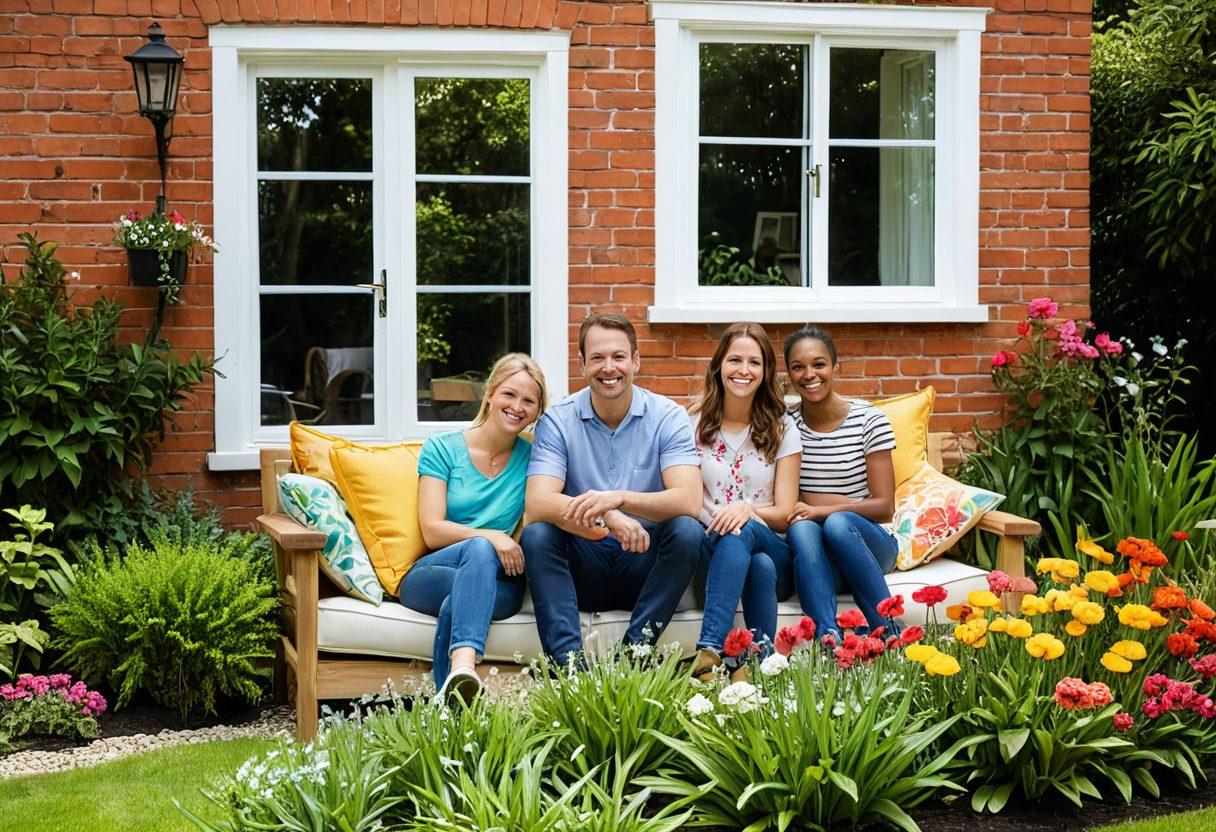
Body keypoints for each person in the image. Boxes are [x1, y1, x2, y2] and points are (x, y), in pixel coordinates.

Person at [522, 312, 703, 664]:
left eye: (619, 356)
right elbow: (538, 504)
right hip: (583, 563)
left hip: (644, 562)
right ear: (582, 364)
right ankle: (568, 667)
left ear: (635, 360)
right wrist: (607, 514)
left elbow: (689, 500)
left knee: (687, 530)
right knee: (538, 534)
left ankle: (634, 654)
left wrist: (619, 498)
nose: (609, 367)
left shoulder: (668, 416)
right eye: (598, 358)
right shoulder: (558, 419)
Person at [397, 353, 546, 704]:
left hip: (500, 581)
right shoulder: (442, 448)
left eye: (529, 401)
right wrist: (493, 535)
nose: (517, 407)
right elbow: (432, 530)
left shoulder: (534, 457)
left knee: (459, 603)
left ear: (538, 411)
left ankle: (450, 702)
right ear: (490, 394)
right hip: (433, 572)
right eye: (510, 394)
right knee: (480, 548)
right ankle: (465, 667)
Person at [688, 323, 801, 680]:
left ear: (766, 371)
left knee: (746, 532)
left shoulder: (783, 429)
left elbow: (784, 514)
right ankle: (759, 666)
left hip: (770, 539)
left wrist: (746, 510)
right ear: (718, 365)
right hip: (712, 550)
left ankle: (709, 650)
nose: (744, 370)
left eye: (755, 362)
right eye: (735, 359)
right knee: (759, 566)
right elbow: (688, 501)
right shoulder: (691, 425)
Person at [783, 325, 900, 637]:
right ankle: (828, 638)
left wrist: (820, 510)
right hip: (820, 556)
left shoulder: (868, 419)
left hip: (870, 545)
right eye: (798, 367)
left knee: (835, 523)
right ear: (789, 375)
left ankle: (889, 632)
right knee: (802, 528)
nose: (809, 375)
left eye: (819, 364)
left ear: (835, 367)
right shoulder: (786, 424)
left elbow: (884, 507)